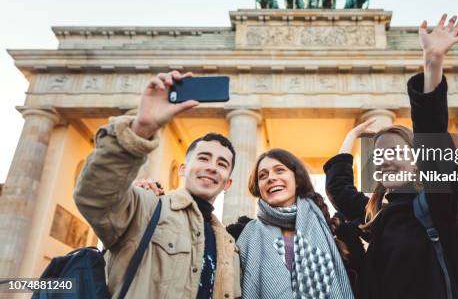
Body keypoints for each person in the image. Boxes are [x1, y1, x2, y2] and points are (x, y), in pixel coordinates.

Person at [324, 14, 458, 299]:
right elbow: (341, 191)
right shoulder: (380, 216)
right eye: (380, 155)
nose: (385, 159)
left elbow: (432, 139)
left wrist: (432, 63)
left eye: (396, 151)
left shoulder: (440, 206)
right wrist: (349, 139)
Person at [74, 71, 241, 299]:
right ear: (182, 169)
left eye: (222, 164)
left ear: (228, 183)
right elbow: (96, 197)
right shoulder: (147, 208)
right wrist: (140, 130)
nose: (212, 167)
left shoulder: (229, 247)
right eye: (203, 158)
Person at [231, 148, 356, 299]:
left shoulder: (334, 231)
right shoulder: (241, 236)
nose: (270, 178)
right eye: (262, 175)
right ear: (259, 187)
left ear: (297, 180)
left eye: (279, 170)